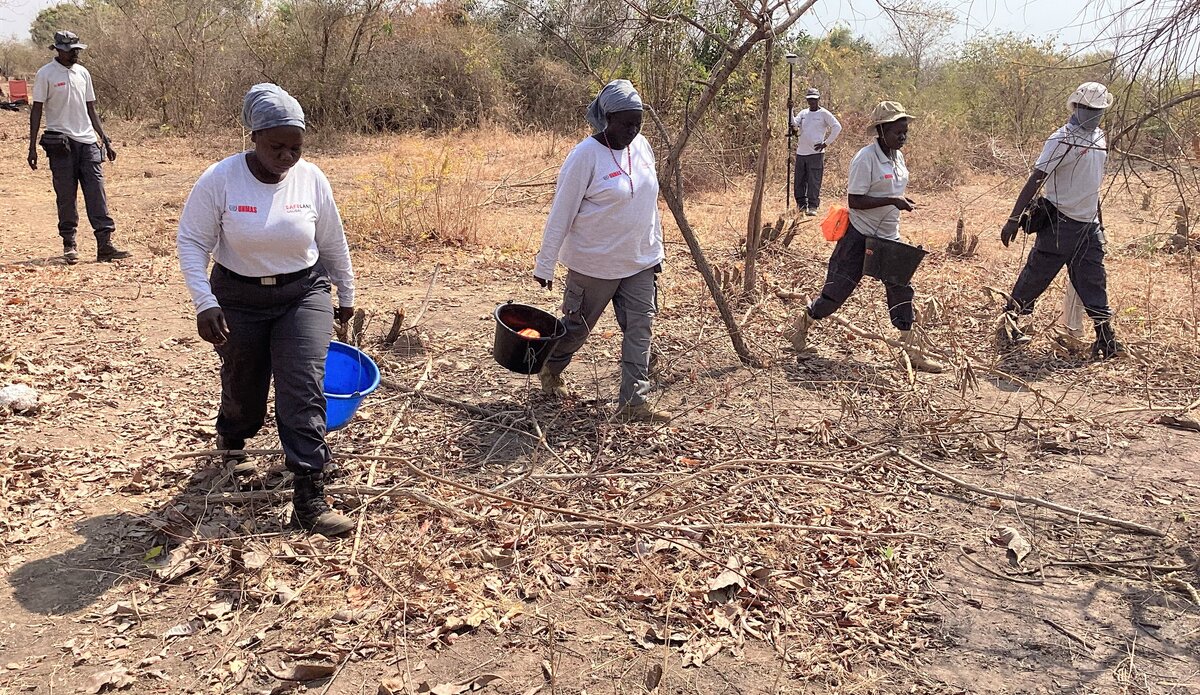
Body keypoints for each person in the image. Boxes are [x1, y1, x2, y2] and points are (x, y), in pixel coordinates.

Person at [177, 84, 357, 536]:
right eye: (277, 146)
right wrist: (205, 301)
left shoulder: (312, 178)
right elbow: (193, 241)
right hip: (238, 296)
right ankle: (233, 440)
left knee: (304, 385)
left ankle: (309, 497)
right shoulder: (220, 179)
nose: (287, 156)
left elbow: (332, 241)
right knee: (246, 382)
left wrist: (347, 296)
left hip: (303, 292)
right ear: (253, 137)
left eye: (295, 147)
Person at [533, 79, 670, 423]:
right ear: (606, 118)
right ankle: (551, 368)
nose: (633, 130)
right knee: (577, 328)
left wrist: (656, 252)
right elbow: (561, 212)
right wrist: (545, 264)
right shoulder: (585, 156)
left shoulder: (642, 147)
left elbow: (648, 205)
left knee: (641, 327)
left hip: (638, 260)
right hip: (593, 264)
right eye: (626, 122)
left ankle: (633, 403)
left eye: (638, 122)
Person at [786, 101, 945, 373]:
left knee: (901, 290)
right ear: (881, 131)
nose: (903, 137)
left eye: (905, 131)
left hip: (888, 237)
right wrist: (893, 200)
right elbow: (856, 201)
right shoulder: (865, 158)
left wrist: (899, 199)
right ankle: (802, 325)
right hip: (858, 236)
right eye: (898, 132)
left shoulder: (898, 158)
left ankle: (911, 350)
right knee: (837, 292)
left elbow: (889, 192)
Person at [998, 82, 1124, 359]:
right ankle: (1008, 327)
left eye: (1099, 110)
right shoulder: (1061, 139)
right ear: (1076, 107)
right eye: (1089, 109)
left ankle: (1106, 337)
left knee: (1093, 280)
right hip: (1060, 223)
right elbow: (1037, 178)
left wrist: (1099, 223)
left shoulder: (1099, 138)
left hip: (1087, 226)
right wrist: (1013, 218)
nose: (1094, 115)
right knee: (1035, 277)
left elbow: (1094, 185)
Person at [27, 31, 130, 265]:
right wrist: (32, 146)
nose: (76, 54)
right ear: (58, 50)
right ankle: (69, 244)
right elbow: (36, 110)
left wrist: (104, 138)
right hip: (60, 142)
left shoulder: (83, 73)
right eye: (71, 50)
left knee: (97, 193)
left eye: (77, 49)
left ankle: (105, 245)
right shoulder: (45, 74)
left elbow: (91, 108)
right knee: (66, 195)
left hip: (87, 142)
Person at [789, 87, 842, 216]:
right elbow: (794, 125)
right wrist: (790, 109)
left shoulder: (824, 113)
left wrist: (825, 143)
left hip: (816, 153)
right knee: (799, 180)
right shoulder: (803, 113)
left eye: (814, 99)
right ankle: (801, 205)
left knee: (814, 180)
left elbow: (837, 127)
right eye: (809, 99)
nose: (811, 102)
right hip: (801, 152)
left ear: (818, 99)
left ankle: (813, 206)